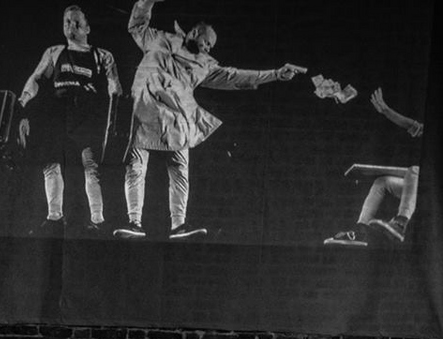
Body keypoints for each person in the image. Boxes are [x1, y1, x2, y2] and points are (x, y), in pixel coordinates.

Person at [113, 0, 307, 241]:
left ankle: (179, 226)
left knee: (180, 171)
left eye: (210, 46)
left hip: (177, 120)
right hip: (143, 112)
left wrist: (275, 74)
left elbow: (234, 76)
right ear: (195, 32)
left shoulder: (205, 64)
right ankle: (134, 222)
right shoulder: (159, 39)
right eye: (206, 42)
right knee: (135, 167)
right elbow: (137, 25)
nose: (207, 48)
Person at [18, 5, 122, 236]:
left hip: (87, 115)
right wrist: (22, 101)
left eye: (76, 22)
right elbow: (36, 78)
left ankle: (98, 220)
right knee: (51, 163)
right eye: (67, 21)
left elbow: (114, 86)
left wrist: (116, 113)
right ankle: (54, 217)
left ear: (87, 28)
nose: (71, 26)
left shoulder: (102, 55)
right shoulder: (54, 52)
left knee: (90, 166)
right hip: (58, 113)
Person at [324, 88, 422, 247]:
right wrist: (386, 111)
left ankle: (400, 223)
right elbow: (413, 126)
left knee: (415, 170)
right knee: (383, 181)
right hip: (420, 186)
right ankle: (360, 232)